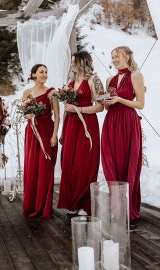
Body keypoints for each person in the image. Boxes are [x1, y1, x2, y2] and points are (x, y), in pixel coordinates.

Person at [57, 51, 104, 216]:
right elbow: (67, 107)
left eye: (73, 61)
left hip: (87, 125)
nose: (71, 64)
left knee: (83, 164)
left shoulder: (94, 79)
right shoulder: (71, 80)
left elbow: (100, 106)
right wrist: (63, 130)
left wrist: (79, 109)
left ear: (81, 62)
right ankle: (72, 203)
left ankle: (85, 204)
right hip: (71, 125)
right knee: (68, 163)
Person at [101, 46, 145, 222]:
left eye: (117, 56)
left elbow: (140, 104)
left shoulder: (136, 76)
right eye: (112, 57)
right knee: (111, 164)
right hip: (111, 122)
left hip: (128, 122)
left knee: (129, 163)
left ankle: (129, 209)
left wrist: (120, 99)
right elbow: (106, 106)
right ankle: (116, 208)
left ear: (126, 56)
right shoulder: (108, 79)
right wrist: (104, 100)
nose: (114, 59)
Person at [22, 64, 60, 219]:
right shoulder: (27, 93)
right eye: (41, 72)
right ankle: (31, 204)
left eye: (46, 72)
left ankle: (42, 206)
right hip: (31, 132)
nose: (44, 74)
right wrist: (28, 116)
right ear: (34, 74)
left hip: (46, 131)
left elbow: (57, 116)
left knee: (44, 169)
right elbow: (25, 114)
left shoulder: (52, 93)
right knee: (32, 167)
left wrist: (54, 135)